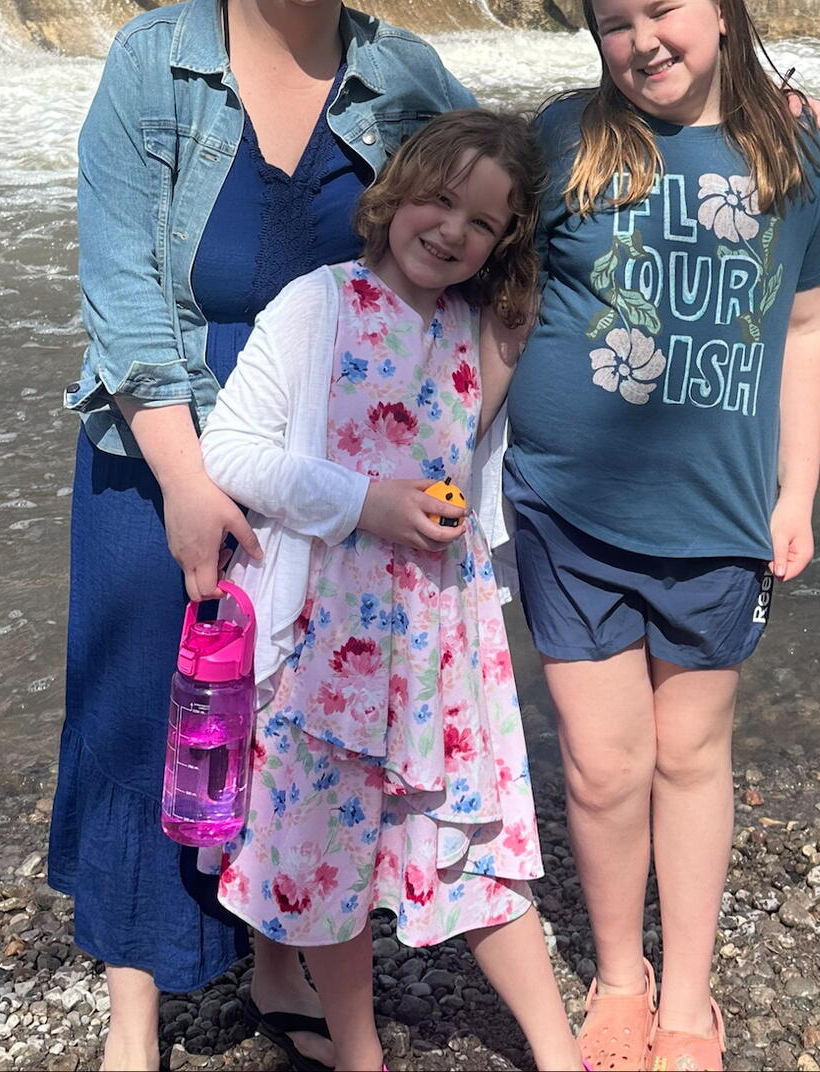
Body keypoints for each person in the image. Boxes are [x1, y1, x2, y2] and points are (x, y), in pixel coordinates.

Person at [48, 0, 473, 1072]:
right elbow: (123, 285)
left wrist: (735, 107)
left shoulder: (404, 78)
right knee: (148, 707)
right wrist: (185, 479)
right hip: (162, 442)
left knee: (295, 712)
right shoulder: (153, 63)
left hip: (331, 458)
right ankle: (136, 1011)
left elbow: (516, 185)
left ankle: (280, 954)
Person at [488, 0, 820, 1072]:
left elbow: (805, 320)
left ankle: (687, 992)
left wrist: (797, 488)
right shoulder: (562, 139)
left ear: (719, 10)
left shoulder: (787, 152)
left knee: (690, 751)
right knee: (601, 763)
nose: (639, 41)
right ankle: (617, 974)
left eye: (659, 11)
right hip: (563, 507)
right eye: (611, 24)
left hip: (715, 515)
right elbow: (486, 282)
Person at [198, 110, 583, 1072]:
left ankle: (558, 1052)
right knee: (322, 854)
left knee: (476, 846)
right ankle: (360, 1052)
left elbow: (585, 224)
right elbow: (228, 451)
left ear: (506, 244)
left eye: (484, 223)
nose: (453, 231)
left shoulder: (486, 330)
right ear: (395, 190)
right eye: (440, 200)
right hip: (320, 639)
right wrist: (364, 501)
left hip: (438, 641)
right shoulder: (315, 305)